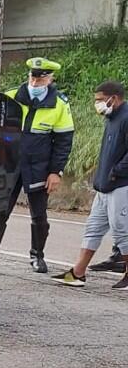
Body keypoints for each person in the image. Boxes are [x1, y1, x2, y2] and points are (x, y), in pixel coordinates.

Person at [0, 58, 75, 273]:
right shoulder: (9, 98)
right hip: (8, 164)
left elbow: (64, 141)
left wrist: (56, 171)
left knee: (39, 215)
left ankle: (37, 255)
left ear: (50, 78)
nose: (36, 82)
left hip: (39, 167)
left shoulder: (59, 104)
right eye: (33, 77)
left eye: (42, 78)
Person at [51, 81, 128, 291]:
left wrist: (116, 172)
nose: (98, 104)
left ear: (114, 97)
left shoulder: (126, 117)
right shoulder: (111, 118)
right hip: (104, 186)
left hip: (121, 185)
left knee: (122, 231)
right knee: (93, 229)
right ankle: (78, 272)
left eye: (100, 100)